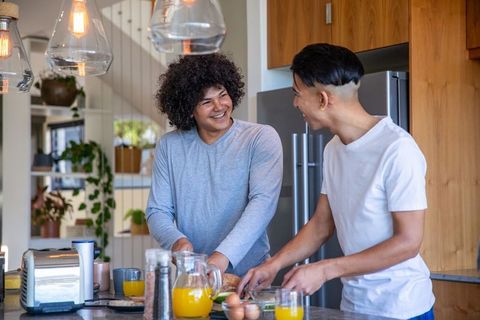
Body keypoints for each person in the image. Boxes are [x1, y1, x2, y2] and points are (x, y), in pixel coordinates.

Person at [237, 43, 435, 319]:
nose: (294, 103)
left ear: (323, 99)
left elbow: (409, 242)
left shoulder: (397, 149)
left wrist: (326, 269)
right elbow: (321, 225)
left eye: (297, 94)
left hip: (401, 308)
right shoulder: (334, 148)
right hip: (354, 306)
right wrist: (274, 264)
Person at [146, 53, 283, 277]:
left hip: (249, 276)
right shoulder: (170, 146)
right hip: (194, 278)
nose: (219, 106)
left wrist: (221, 257)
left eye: (223, 95)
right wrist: (176, 241)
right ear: (189, 109)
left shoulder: (259, 138)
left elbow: (262, 204)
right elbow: (157, 211)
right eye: (206, 102)